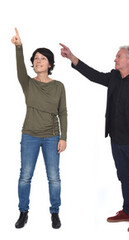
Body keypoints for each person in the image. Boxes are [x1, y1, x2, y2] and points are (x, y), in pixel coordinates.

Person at [59, 42, 129, 233]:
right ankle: (128, 211)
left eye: (119, 56)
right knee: (124, 177)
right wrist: (72, 57)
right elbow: (93, 75)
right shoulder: (113, 77)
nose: (115, 59)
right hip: (116, 139)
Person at [12, 28, 67, 230]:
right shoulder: (28, 84)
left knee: (54, 178)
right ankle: (23, 212)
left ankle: (55, 213)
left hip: (52, 137)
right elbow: (20, 67)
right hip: (30, 136)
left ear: (50, 64)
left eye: (43, 58)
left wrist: (63, 137)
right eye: (35, 58)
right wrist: (19, 47)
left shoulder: (59, 86)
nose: (38, 61)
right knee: (25, 176)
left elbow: (63, 112)